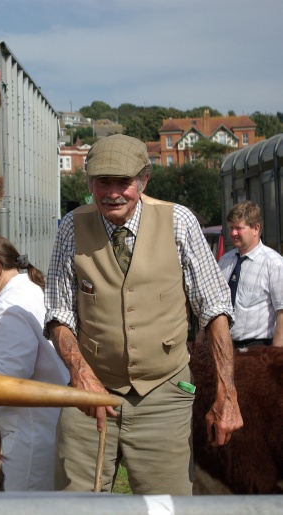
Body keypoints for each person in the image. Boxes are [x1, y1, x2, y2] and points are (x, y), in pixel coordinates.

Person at [44, 134, 243, 495]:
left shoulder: (178, 221)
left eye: (124, 182)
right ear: (90, 183)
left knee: (166, 506)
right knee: (75, 503)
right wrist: (81, 375)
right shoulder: (73, 226)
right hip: (91, 391)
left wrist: (226, 393)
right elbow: (58, 315)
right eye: (103, 182)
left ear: (144, 180)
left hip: (164, 393)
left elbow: (214, 310)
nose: (113, 192)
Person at [0, 232, 69, 491]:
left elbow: (12, 371)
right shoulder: (30, 289)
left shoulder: (9, 306)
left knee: (23, 506)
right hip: (40, 421)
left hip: (26, 430)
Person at [218, 201, 283, 348]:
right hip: (224, 347)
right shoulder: (224, 261)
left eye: (239, 228)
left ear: (256, 228)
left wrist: (276, 356)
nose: (233, 233)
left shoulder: (274, 264)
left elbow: (282, 314)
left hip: (257, 349)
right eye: (232, 228)